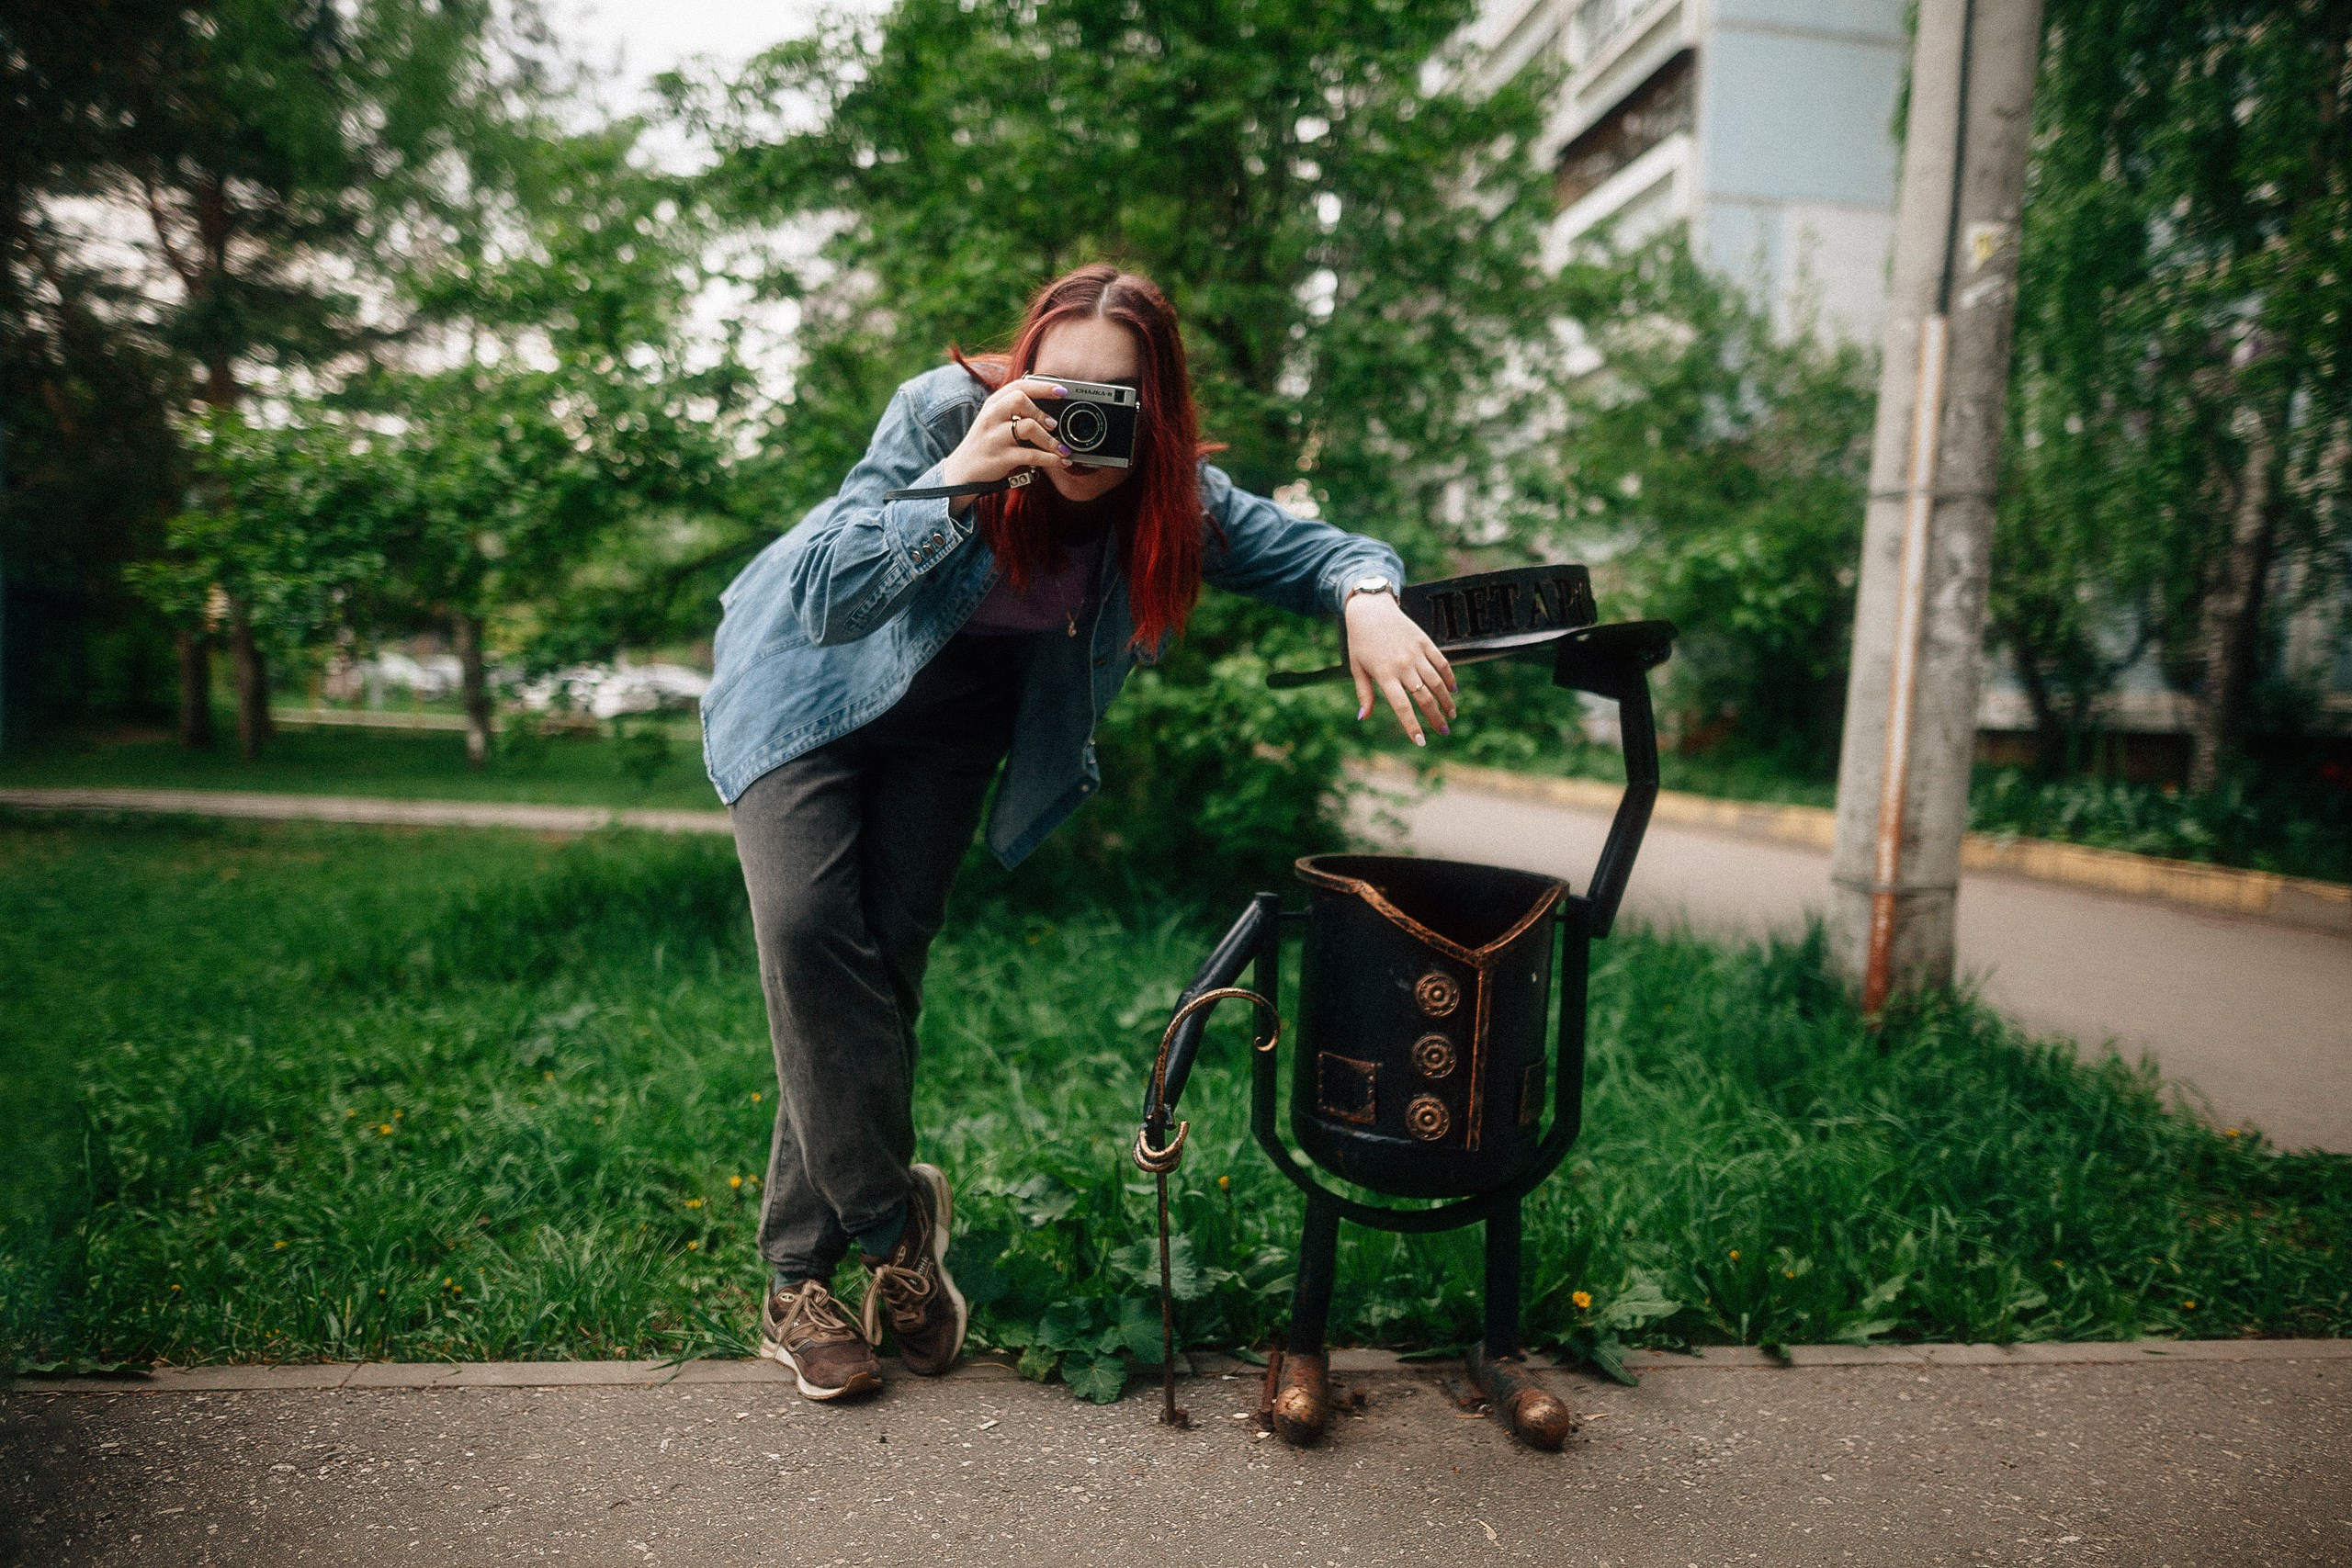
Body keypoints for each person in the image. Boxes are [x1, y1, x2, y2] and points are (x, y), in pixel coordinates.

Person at [699, 264, 1459, 1403]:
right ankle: (888, 1227)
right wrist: (958, 477)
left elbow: (1314, 551)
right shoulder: (943, 413)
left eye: (1113, 402)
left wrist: (1368, 599)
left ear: (1157, 407)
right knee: (811, 934)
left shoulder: (1170, 494)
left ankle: (795, 1283)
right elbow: (826, 594)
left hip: (951, 727)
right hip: (806, 691)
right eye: (1057, 391)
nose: (1078, 426)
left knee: (879, 974)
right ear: (1023, 372)